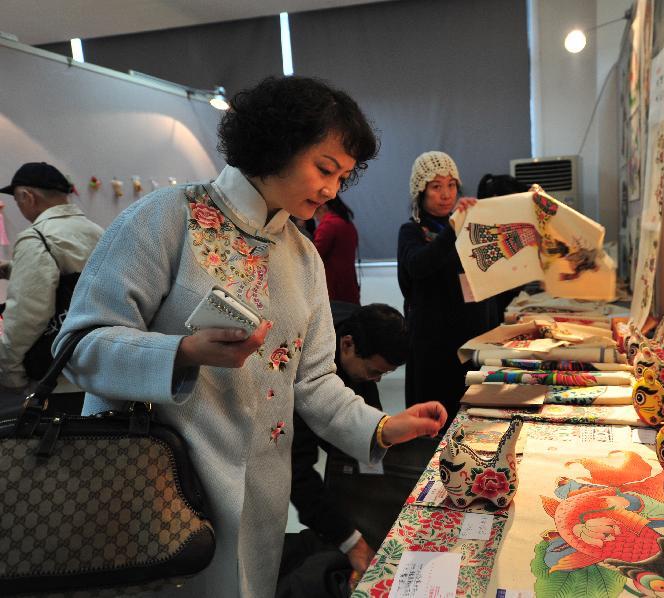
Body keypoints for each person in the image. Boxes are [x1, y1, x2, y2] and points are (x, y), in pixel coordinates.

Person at [53, 76, 447, 598]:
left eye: (342, 177)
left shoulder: (302, 257)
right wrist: (181, 352)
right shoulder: (165, 218)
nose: (331, 190)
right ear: (276, 145)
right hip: (155, 480)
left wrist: (382, 427)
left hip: (262, 492)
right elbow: (78, 346)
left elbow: (314, 380)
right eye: (324, 168)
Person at [279, 303, 408, 595]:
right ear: (347, 344)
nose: (376, 380)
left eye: (383, 374)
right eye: (374, 371)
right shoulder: (303, 374)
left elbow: (368, 435)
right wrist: (350, 540)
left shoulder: (359, 354)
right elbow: (297, 475)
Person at [397, 151, 497, 423]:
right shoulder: (412, 231)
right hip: (433, 345)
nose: (446, 194)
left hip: (469, 339)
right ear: (421, 192)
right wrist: (453, 229)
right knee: (435, 420)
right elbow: (417, 266)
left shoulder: (468, 226)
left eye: (451, 185)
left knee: (471, 415)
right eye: (436, 186)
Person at [0, 162, 103, 412]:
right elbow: (74, 278)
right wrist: (15, 269)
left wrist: (11, 373)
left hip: (57, 378)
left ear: (28, 196)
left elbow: (27, 316)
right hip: (99, 368)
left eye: (17, 200)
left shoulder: (38, 237)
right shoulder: (97, 231)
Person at [312, 195, 360, 304]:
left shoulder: (328, 225)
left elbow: (313, 256)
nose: (316, 219)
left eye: (315, 213)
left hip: (333, 290)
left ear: (323, 207)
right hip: (348, 287)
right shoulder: (347, 223)